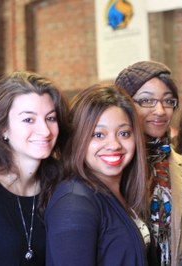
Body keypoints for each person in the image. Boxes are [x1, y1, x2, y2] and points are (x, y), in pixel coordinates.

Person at [115, 61, 182, 266]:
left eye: (168, 101)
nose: (160, 110)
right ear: (123, 104)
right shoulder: (110, 165)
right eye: (147, 100)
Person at [45, 84, 150, 265]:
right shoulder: (74, 202)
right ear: (78, 138)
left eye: (124, 133)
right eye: (99, 135)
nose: (114, 144)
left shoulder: (119, 191)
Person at [0, 71, 70, 265]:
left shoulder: (63, 186)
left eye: (51, 118)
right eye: (29, 119)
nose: (45, 131)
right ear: (3, 127)